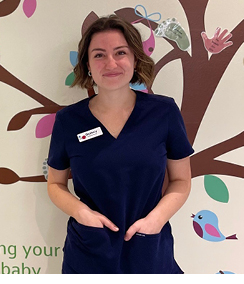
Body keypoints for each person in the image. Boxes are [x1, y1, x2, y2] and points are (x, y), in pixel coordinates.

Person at [47, 15, 194, 274]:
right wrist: (82, 213)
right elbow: (55, 184)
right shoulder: (68, 121)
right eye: (99, 55)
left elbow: (181, 181)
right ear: (88, 65)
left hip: (148, 248)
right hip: (90, 250)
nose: (111, 63)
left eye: (120, 52)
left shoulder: (164, 112)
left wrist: (156, 220)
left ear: (135, 59)